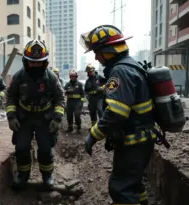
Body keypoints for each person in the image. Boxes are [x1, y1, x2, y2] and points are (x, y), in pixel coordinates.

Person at [80, 25, 155, 205]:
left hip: (133, 142)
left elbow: (115, 113)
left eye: (97, 52)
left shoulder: (120, 71)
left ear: (108, 51)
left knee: (121, 188)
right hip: (142, 139)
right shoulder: (131, 66)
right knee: (134, 185)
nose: (96, 57)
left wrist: (93, 135)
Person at [6, 40, 65, 188]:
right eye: (32, 62)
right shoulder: (18, 77)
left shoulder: (51, 77)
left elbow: (60, 98)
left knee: (45, 148)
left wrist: (57, 119)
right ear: (26, 61)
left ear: (45, 62)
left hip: (44, 118)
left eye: (39, 62)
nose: (35, 65)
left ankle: (47, 176)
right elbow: (11, 97)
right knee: (21, 148)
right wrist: (11, 117)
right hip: (24, 117)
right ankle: (23, 175)